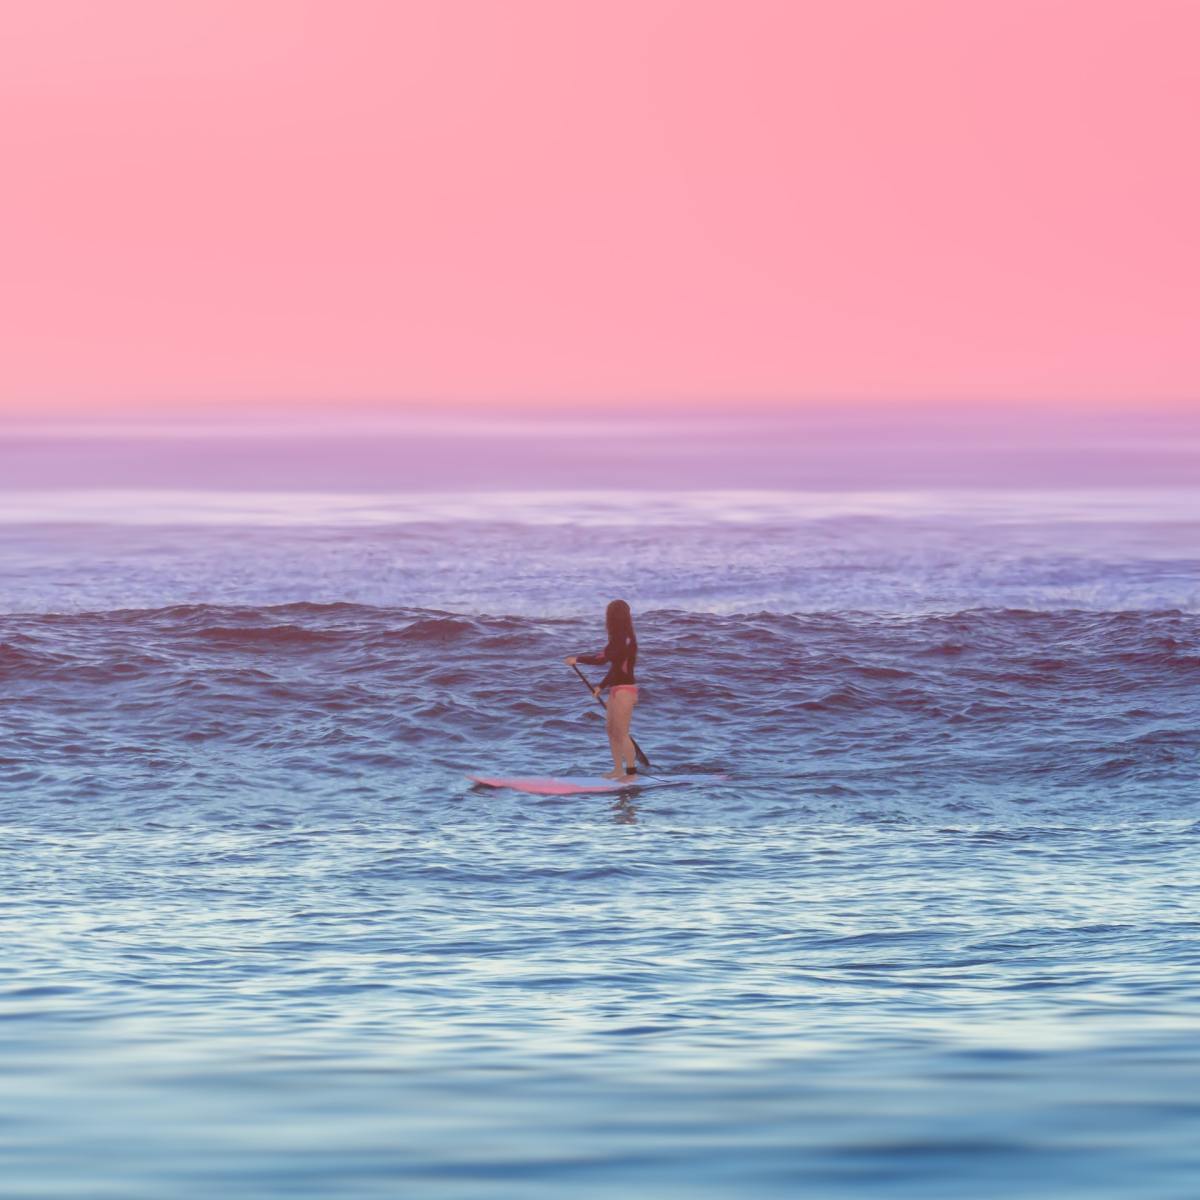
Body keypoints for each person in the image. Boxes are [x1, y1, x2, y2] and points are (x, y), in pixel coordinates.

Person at [564, 599, 639, 780]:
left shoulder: (623, 639)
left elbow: (601, 659)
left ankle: (631, 774)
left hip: (625, 691)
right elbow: (615, 667)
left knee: (621, 733)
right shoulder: (619, 638)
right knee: (612, 731)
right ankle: (618, 770)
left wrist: (578, 659)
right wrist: (601, 686)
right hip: (616, 689)